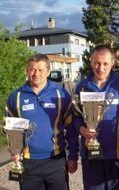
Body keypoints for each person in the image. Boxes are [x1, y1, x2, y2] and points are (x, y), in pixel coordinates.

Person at [5, 54, 78, 190]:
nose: (36, 74)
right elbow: (10, 130)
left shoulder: (61, 95)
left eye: (40, 70)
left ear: (48, 71)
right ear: (27, 71)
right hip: (28, 163)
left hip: (56, 161)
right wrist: (14, 151)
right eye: (32, 70)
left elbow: (71, 129)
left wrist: (73, 156)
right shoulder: (16, 97)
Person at [73, 45, 119, 190]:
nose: (100, 67)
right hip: (91, 156)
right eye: (97, 63)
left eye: (105, 63)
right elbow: (75, 117)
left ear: (113, 63)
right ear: (91, 62)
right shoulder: (81, 87)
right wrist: (82, 129)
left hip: (117, 156)